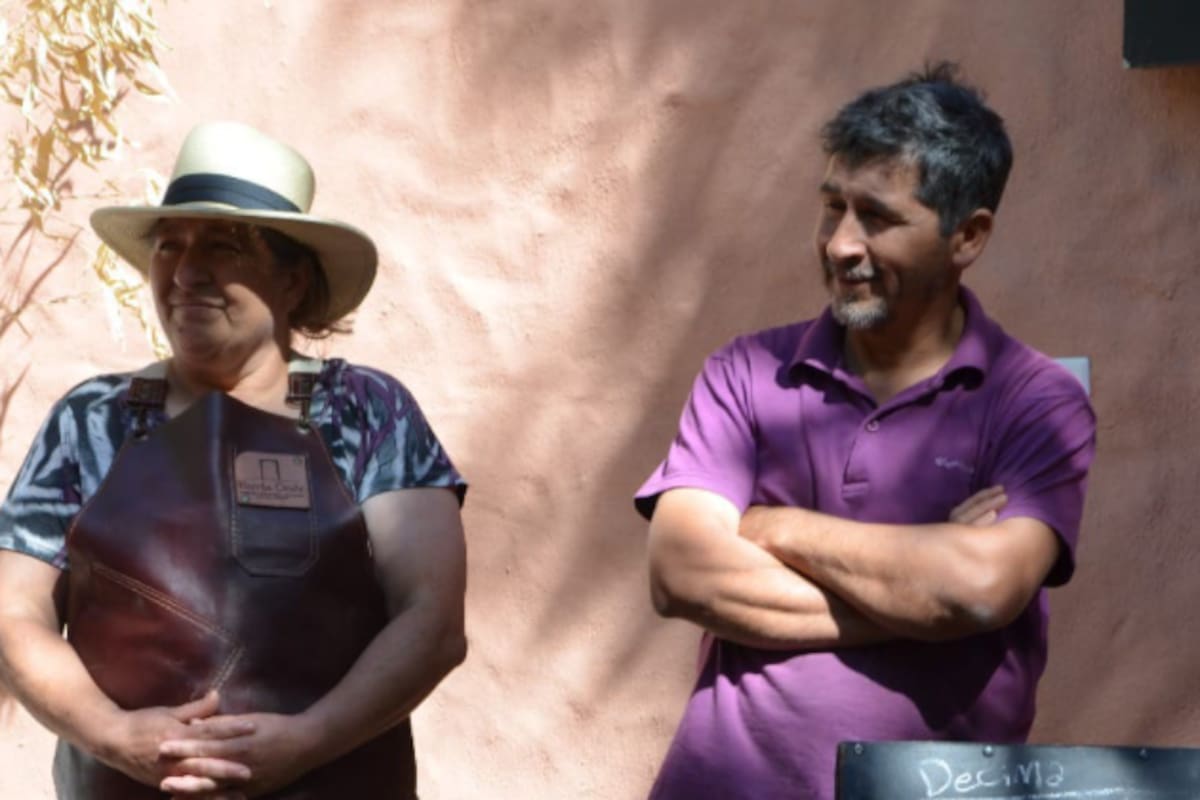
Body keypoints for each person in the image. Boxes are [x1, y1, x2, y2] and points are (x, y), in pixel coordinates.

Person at [634, 64, 1096, 800]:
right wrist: (921, 584)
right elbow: (681, 573)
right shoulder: (747, 372)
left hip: (934, 789)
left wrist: (772, 525)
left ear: (968, 236)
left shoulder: (1035, 402)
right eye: (832, 208)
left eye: (876, 217)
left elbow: (980, 591)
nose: (840, 245)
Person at [0, 121, 468, 798]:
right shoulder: (90, 419)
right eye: (170, 246)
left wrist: (311, 739)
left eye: (223, 246)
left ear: (293, 280)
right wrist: (113, 735)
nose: (186, 272)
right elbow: (13, 612)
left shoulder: (368, 411)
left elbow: (432, 618)